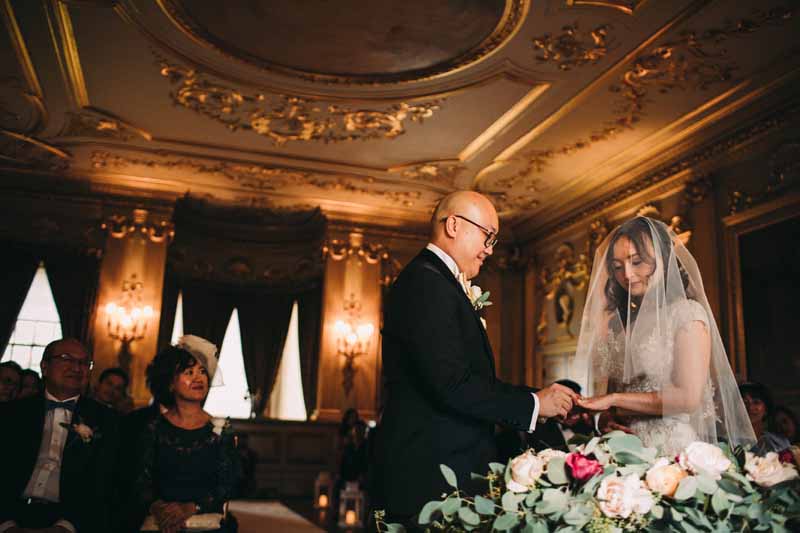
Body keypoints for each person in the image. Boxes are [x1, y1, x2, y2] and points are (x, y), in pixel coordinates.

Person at [372, 191, 578, 527]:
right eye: (488, 236)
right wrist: (534, 405)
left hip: (441, 472)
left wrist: (542, 401)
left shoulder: (436, 280)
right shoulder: (427, 283)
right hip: (429, 477)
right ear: (453, 225)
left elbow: (470, 380)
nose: (490, 249)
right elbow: (453, 384)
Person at [575, 216, 755, 456]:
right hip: (622, 448)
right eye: (617, 267)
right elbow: (614, 402)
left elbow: (688, 398)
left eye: (637, 262)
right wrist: (607, 420)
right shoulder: (621, 324)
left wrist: (614, 400)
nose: (627, 275)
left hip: (669, 448)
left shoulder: (686, 313)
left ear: (663, 258)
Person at [0, 338, 120, 533]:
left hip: (71, 519)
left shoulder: (107, 420)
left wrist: (66, 527)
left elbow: (103, 483)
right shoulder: (11, 413)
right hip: (11, 512)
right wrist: (6, 525)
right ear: (44, 367)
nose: (77, 368)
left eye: (84, 363)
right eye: (66, 359)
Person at [125, 335, 240, 533]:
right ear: (170, 383)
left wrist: (190, 508)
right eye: (189, 372)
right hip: (160, 521)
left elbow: (228, 485)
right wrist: (160, 509)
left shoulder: (221, 430)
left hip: (206, 521)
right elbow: (140, 481)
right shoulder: (153, 428)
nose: (198, 378)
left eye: (202, 371)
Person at [526, 379, 596, 452]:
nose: (577, 415)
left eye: (577, 406)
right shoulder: (539, 429)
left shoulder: (585, 425)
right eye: (569, 404)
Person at [739, 382, 791, 454]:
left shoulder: (779, 443)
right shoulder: (731, 443)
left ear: (766, 409)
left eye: (756, 402)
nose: (750, 407)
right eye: (744, 402)